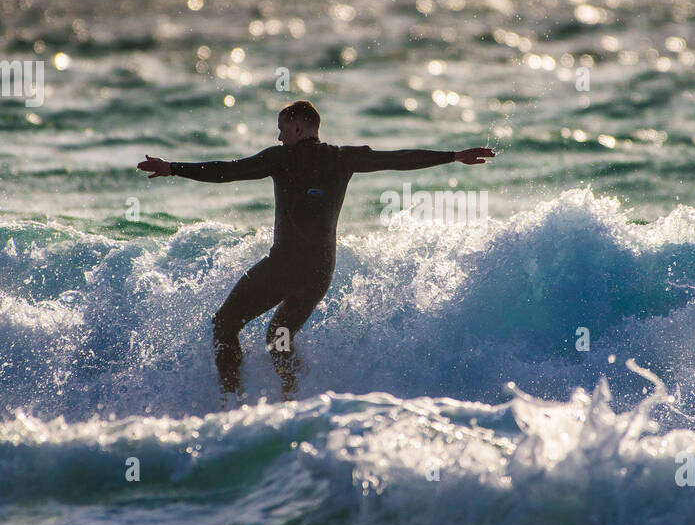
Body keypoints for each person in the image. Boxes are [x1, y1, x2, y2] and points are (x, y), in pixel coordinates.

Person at [137, 100, 494, 399]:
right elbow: (398, 158)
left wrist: (174, 169)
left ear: (298, 126)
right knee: (279, 335)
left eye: (282, 127)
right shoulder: (344, 158)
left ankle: (232, 399)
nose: (278, 135)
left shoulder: (281, 158)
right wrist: (453, 155)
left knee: (225, 324)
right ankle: (292, 397)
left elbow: (229, 171)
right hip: (321, 270)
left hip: (286, 264)